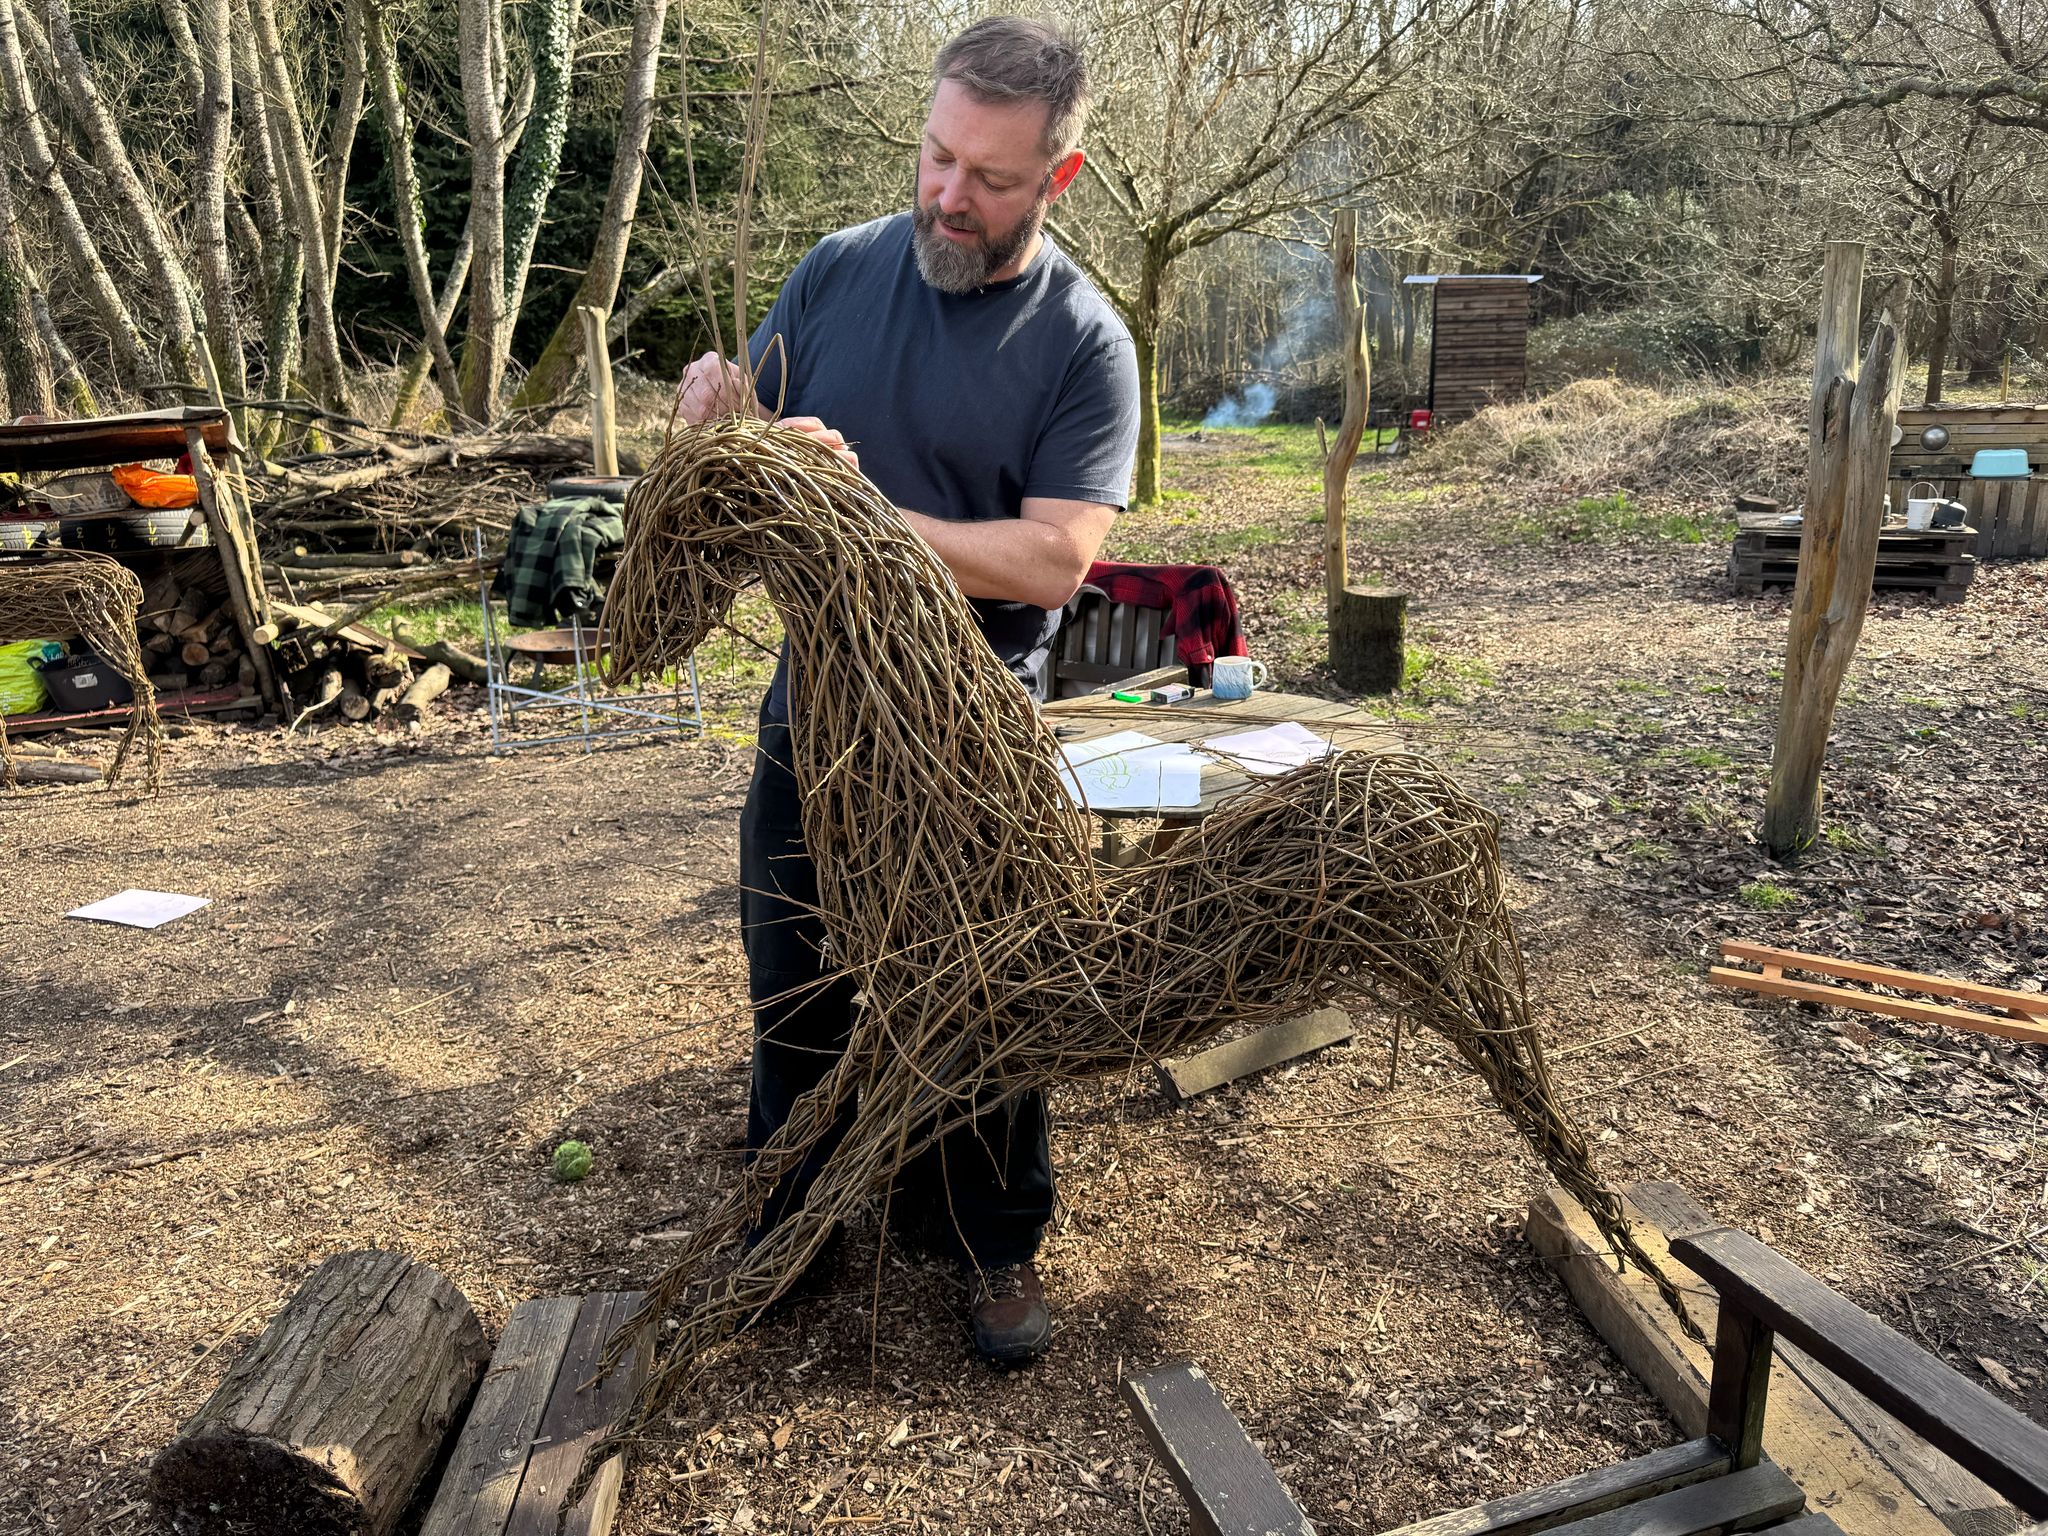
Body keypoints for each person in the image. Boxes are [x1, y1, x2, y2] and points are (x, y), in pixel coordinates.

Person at [673, 15, 1139, 1365]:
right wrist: (717, 418)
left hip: (974, 715)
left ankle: (988, 1239)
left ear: (1060, 178)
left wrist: (863, 510)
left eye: (990, 178)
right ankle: (794, 1215)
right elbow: (744, 445)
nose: (947, 194)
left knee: (983, 979)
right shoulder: (836, 274)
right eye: (937, 155)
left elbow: (1053, 558)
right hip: (815, 696)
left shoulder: (1083, 345)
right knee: (795, 966)